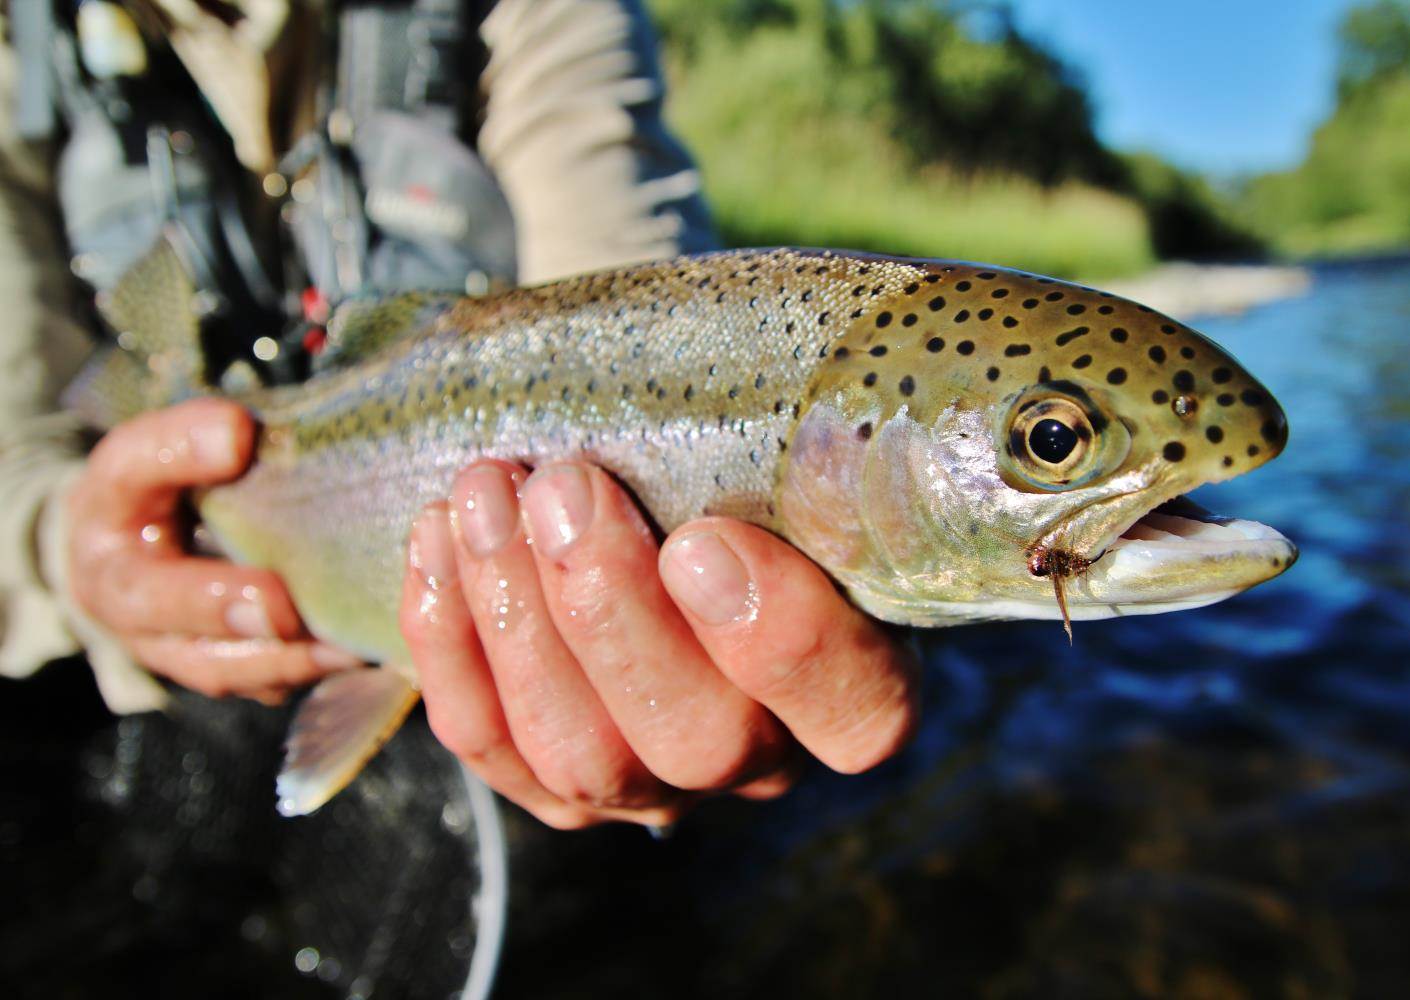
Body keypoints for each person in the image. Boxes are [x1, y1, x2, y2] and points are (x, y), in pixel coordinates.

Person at [0, 0, 918, 830]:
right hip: (98, 701)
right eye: (1049, 446)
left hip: (506, 740)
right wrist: (62, 547)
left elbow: (630, 292)